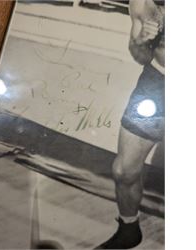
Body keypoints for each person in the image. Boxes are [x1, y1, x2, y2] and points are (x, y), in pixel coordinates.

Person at [96, 0, 165, 249]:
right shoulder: (142, 3)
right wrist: (143, 40)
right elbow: (139, 55)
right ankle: (128, 230)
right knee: (124, 170)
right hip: (158, 82)